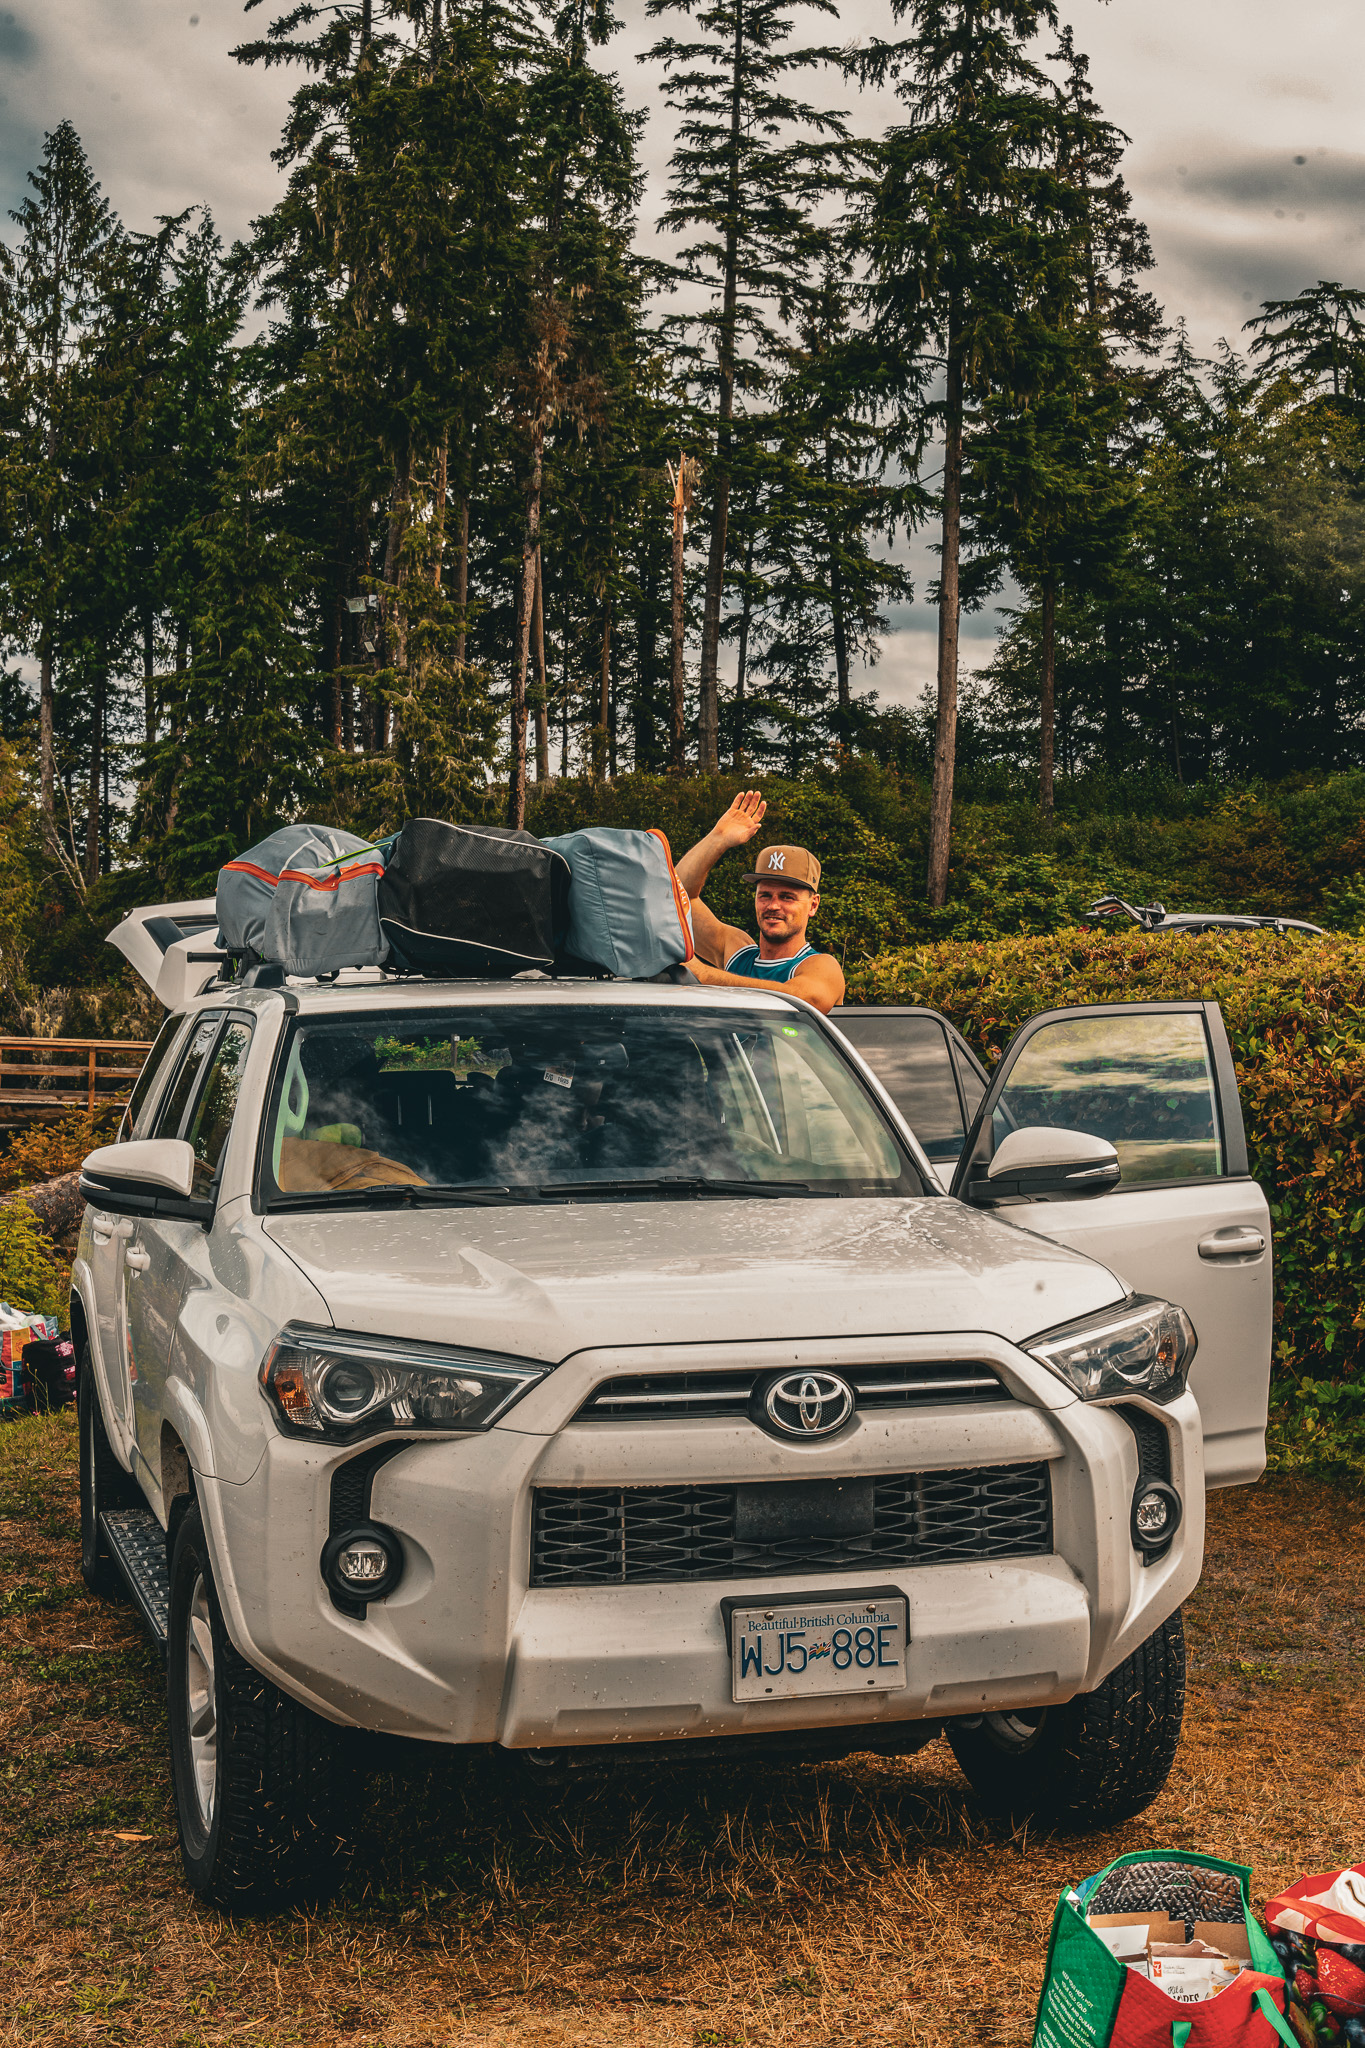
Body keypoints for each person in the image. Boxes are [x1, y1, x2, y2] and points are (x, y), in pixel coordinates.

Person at [674, 790, 845, 1014]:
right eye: (765, 895)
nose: (773, 905)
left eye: (787, 897)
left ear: (813, 905)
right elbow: (680, 897)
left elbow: (806, 999)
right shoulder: (737, 952)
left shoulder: (820, 965)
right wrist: (717, 839)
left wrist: (705, 975)